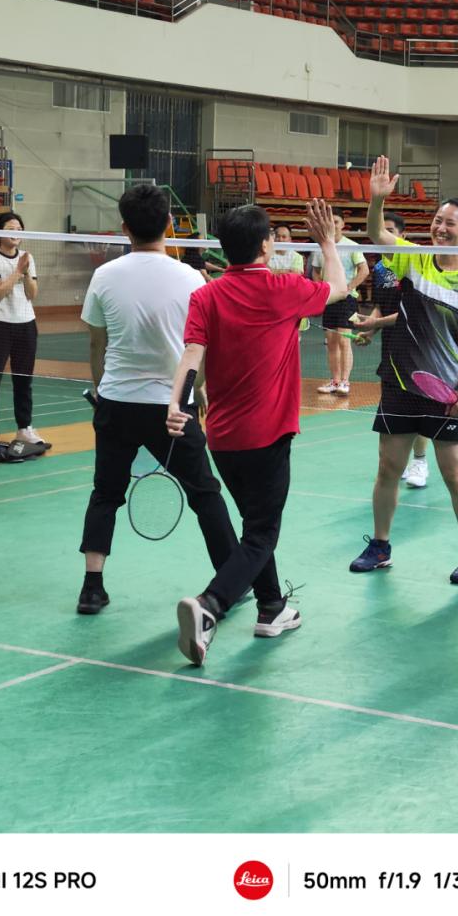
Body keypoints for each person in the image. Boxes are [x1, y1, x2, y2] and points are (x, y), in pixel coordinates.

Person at [167, 199, 348, 666]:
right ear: (266, 246)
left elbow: (191, 355)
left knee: (253, 525)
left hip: (223, 438)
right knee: (262, 533)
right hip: (268, 436)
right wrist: (328, 242)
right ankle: (211, 605)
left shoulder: (206, 296)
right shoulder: (284, 288)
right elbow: (339, 288)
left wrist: (176, 402)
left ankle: (271, 607)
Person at [77, 183, 238, 615]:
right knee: (205, 493)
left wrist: (101, 390)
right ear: (170, 223)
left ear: (124, 228)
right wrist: (198, 389)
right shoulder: (191, 278)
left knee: (105, 494)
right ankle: (230, 580)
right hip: (172, 406)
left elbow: (96, 344)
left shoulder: (104, 276)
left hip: (116, 402)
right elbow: (201, 347)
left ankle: (92, 587)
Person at [349, 156, 458, 584]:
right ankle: (380, 546)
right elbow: (377, 233)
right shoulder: (412, 259)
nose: (440, 227)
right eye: (437, 220)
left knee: (453, 474)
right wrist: (377, 200)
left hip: (444, 392)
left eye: (450, 223)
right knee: (387, 469)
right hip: (399, 383)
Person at [354, 214, 431, 489]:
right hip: (391, 346)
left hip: (417, 345)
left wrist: (375, 323)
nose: (383, 235)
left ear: (402, 236)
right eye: (380, 231)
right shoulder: (380, 267)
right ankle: (395, 462)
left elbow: (414, 312)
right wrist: (370, 330)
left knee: (418, 406)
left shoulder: (416, 263)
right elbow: (381, 305)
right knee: (391, 405)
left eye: (389, 231)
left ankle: (420, 462)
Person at [0, 212, 45, 445]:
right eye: (11, 228)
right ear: (0, 232)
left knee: (24, 380)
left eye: (19, 229)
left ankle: (24, 428)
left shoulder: (27, 258)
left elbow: (32, 294)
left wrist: (25, 272)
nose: (16, 233)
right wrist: (17, 271)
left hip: (26, 324)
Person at [313, 210, 368, 397]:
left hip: (348, 300)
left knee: (344, 340)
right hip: (329, 299)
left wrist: (348, 288)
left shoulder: (352, 246)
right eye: (330, 221)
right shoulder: (320, 247)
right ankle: (335, 381)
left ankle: (345, 381)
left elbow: (364, 270)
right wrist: (322, 289)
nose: (333, 224)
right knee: (331, 341)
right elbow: (316, 271)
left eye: (336, 221)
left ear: (343, 224)